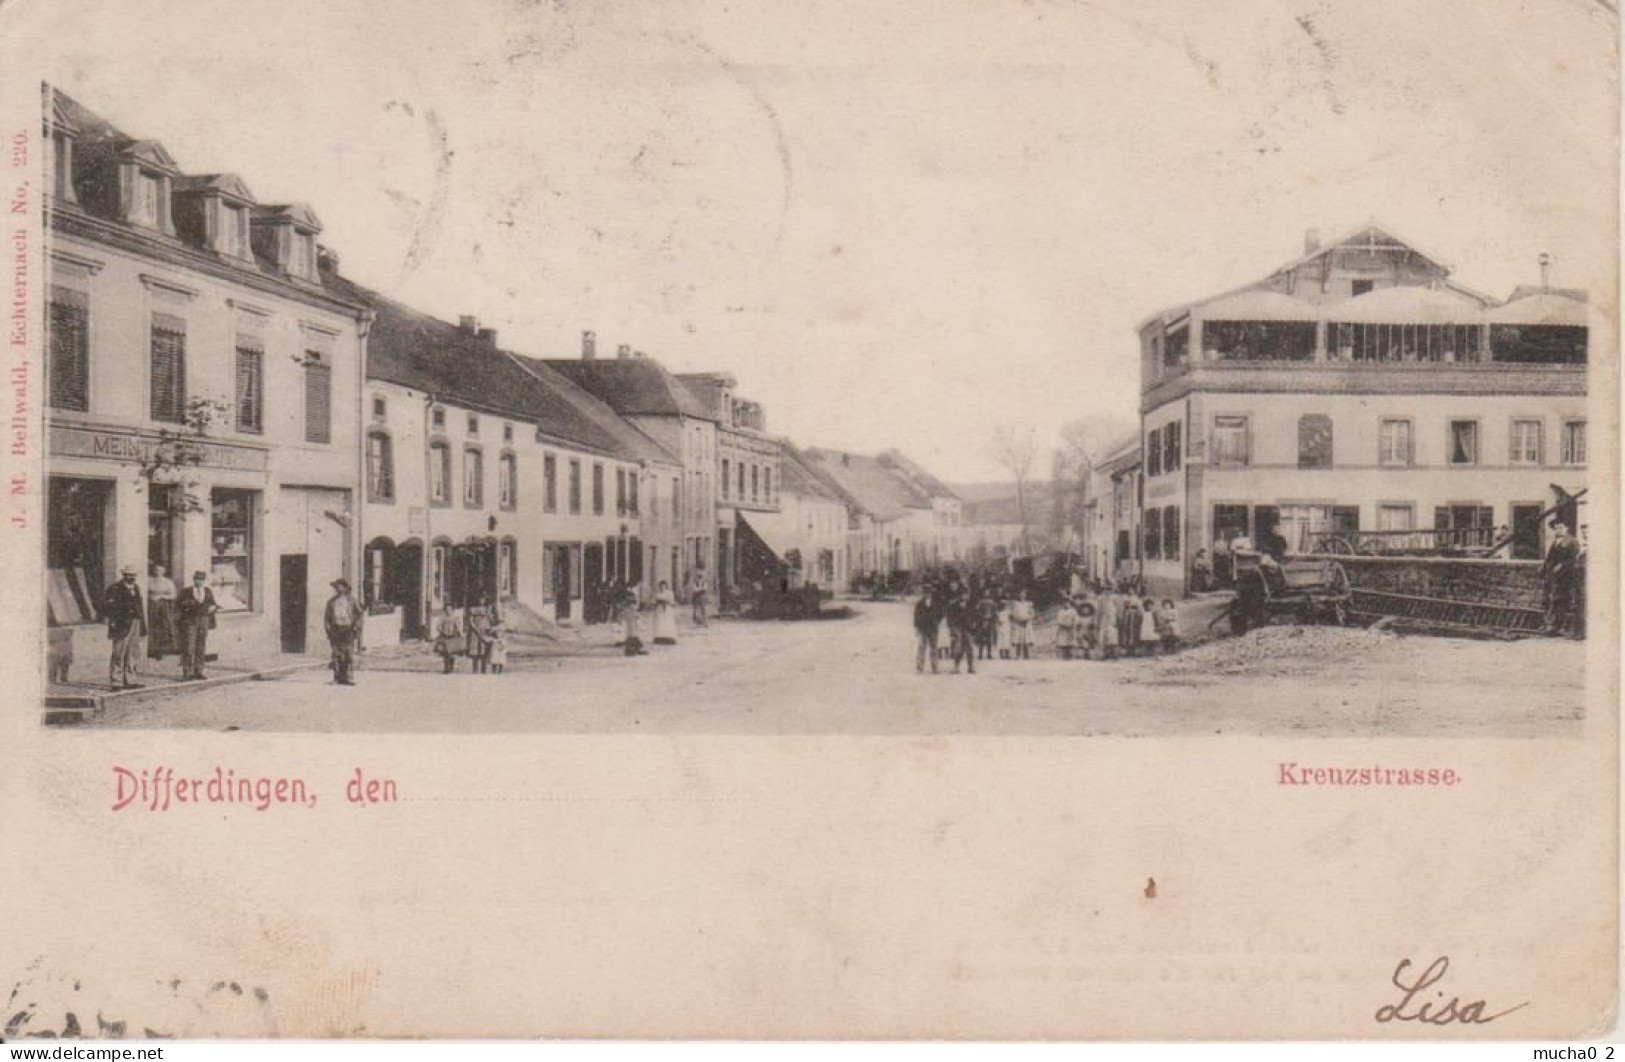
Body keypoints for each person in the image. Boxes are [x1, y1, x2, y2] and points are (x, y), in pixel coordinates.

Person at [103, 565, 147, 689]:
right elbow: (107, 607)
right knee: (119, 652)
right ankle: (116, 681)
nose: (131, 577)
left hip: (135, 622)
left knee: (133, 652)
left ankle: (130, 679)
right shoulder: (115, 588)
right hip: (121, 624)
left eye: (133, 575)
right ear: (123, 575)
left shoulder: (136, 588)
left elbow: (140, 608)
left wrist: (143, 626)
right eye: (128, 575)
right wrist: (116, 619)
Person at [175, 570, 218, 681]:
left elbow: (213, 603)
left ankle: (198, 671)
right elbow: (178, 605)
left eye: (201, 580)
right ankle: (187, 672)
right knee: (189, 647)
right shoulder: (186, 592)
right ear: (194, 580)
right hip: (190, 621)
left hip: (203, 620)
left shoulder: (207, 591)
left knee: (201, 646)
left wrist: (213, 608)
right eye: (197, 579)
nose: (199, 582)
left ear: (204, 581)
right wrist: (187, 605)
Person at [1541, 521, 1581, 638]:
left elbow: (1573, 559)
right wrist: (1544, 568)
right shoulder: (1555, 542)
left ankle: (1560, 627)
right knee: (1552, 601)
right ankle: (1552, 626)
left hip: (1566, 577)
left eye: (1561, 527)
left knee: (1562, 601)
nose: (1558, 530)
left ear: (1567, 528)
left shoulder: (1572, 542)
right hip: (1553, 577)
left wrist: (1562, 565)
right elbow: (1549, 557)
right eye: (1556, 528)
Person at [323, 577, 363, 686]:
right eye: (336, 587)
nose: (338, 589)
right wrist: (328, 630)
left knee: (348, 653)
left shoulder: (352, 600)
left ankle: (349, 678)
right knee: (336, 654)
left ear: (345, 588)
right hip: (336, 629)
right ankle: (337, 678)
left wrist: (356, 627)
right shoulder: (331, 602)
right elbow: (327, 618)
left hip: (348, 628)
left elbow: (359, 614)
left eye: (340, 586)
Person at [146, 564, 178, 661]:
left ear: (163, 572)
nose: (158, 572)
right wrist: (151, 597)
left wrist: (162, 597)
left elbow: (173, 595)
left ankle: (164, 650)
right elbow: (144, 592)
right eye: (156, 570)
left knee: (164, 626)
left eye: (160, 570)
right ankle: (152, 649)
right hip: (151, 606)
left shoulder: (168, 582)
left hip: (164, 607)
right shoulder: (149, 580)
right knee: (152, 626)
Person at [947, 588, 976, 675]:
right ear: (959, 596)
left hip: (968, 628)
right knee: (958, 647)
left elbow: (975, 616)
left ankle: (970, 667)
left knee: (970, 647)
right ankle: (956, 667)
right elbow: (950, 618)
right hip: (957, 627)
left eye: (965, 594)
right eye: (962, 594)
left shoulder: (971, 605)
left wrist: (974, 625)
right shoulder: (953, 606)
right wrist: (952, 628)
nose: (964, 596)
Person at [913, 590, 941, 674]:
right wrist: (917, 627)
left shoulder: (936, 603)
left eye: (928, 593)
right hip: (923, 628)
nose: (927, 595)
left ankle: (935, 668)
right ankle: (920, 668)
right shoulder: (919, 604)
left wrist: (936, 621)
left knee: (934, 648)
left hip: (933, 628)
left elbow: (940, 614)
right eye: (925, 593)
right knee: (921, 648)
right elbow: (916, 616)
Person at [465, 602, 494, 674]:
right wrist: (475, 628)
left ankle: (483, 669)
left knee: (484, 650)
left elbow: (490, 620)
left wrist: (488, 629)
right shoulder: (473, 609)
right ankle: (475, 669)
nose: (482, 600)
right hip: (475, 633)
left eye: (483, 599)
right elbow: (471, 620)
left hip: (484, 631)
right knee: (475, 652)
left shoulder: (488, 609)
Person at [433, 607, 464, 673]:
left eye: (450, 610)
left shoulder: (455, 617)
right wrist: (442, 631)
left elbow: (458, 626)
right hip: (445, 636)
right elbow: (438, 626)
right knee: (445, 652)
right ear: (445, 611)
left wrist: (456, 632)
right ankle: (446, 667)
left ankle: (451, 667)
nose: (448, 611)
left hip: (453, 636)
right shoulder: (443, 618)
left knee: (452, 652)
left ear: (452, 610)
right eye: (447, 610)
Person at [1009, 591, 1034, 661]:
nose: (1022, 596)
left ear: (1025, 596)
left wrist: (1027, 619)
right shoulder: (1016, 604)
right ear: (1019, 596)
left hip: (1026, 623)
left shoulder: (1028, 604)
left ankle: (1026, 655)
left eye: (1023, 595)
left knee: (1026, 638)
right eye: (1021, 595)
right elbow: (1013, 614)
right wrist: (1018, 619)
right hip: (1018, 623)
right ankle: (1018, 654)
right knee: (1018, 638)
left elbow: (1032, 613)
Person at [652, 580, 678, 645]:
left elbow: (672, 602)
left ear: (666, 586)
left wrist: (667, 602)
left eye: (663, 586)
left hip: (667, 609)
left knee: (667, 623)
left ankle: (669, 637)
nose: (662, 587)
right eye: (661, 586)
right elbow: (654, 602)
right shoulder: (657, 594)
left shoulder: (670, 593)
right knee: (660, 623)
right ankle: (660, 637)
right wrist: (657, 602)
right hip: (659, 609)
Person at [1097, 588, 1120, 661]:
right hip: (1104, 620)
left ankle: (1114, 654)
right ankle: (1104, 654)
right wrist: (1098, 621)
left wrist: (1117, 619)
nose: (1107, 591)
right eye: (1105, 590)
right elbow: (1099, 611)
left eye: (1109, 590)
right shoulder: (1101, 598)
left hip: (1112, 619)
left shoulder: (1114, 598)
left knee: (1112, 637)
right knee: (1103, 637)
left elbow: (1117, 609)